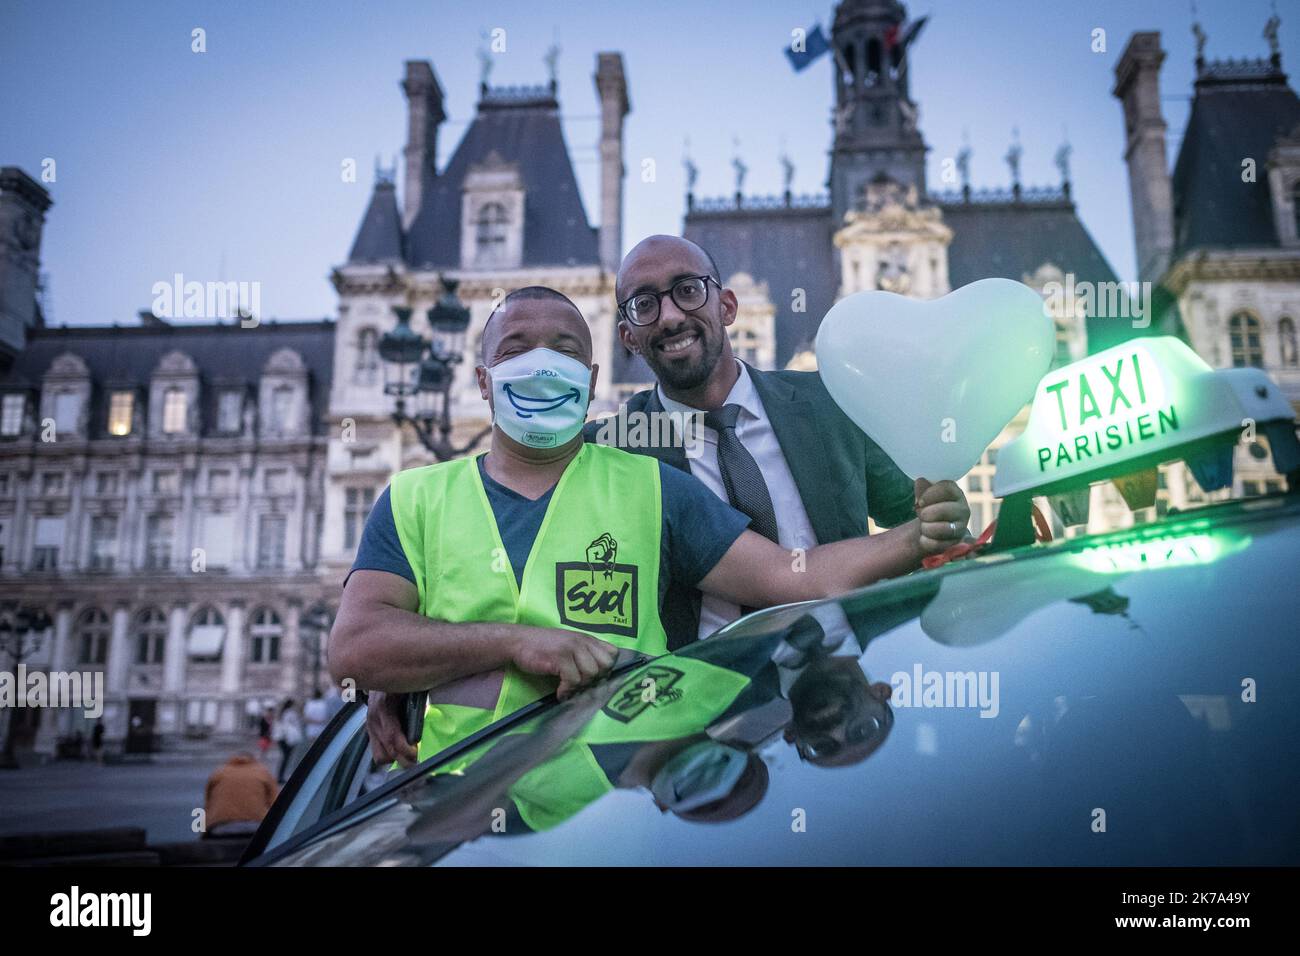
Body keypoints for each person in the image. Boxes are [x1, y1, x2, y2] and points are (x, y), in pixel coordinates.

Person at [338, 286, 968, 767]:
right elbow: (357, 649)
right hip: (465, 807)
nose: (540, 367)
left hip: (626, 798)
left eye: (563, 353)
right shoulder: (415, 496)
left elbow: (786, 575)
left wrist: (918, 536)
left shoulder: (650, 483)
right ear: (482, 380)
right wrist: (488, 648)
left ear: (588, 384)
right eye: (515, 352)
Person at [588, 234, 969, 647]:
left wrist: (948, 515)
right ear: (627, 336)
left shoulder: (831, 402)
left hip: (848, 672)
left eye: (687, 291)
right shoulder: (612, 448)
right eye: (645, 304)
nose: (670, 316)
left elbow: (919, 512)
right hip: (706, 698)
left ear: (728, 306)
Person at [204, 752, 279, 839]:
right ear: (253, 760)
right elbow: (275, 803)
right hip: (256, 825)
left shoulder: (219, 772)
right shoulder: (263, 773)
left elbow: (208, 803)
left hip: (220, 826)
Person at [271, 699, 303, 783]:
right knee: (287, 758)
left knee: (285, 758)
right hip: (288, 738)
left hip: (281, 737)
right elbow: (295, 724)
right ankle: (281, 776)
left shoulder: (282, 713)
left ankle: (280, 776)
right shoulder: (291, 713)